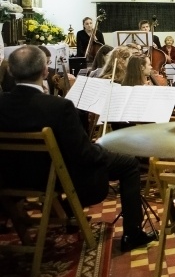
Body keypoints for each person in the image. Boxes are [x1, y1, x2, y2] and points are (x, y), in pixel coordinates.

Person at [0, 46, 156, 252]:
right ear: (45, 71)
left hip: (9, 179)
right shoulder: (58, 107)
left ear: (10, 71)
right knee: (127, 162)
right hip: (51, 179)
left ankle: (64, 211)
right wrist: (102, 148)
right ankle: (132, 233)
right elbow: (83, 154)